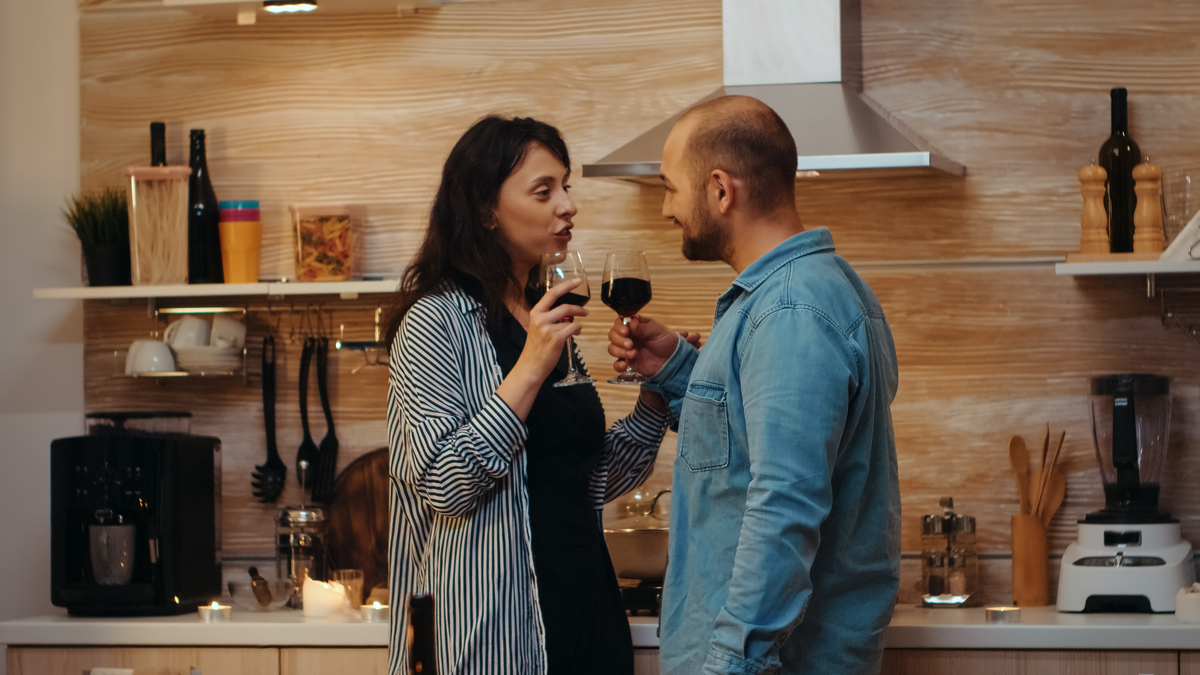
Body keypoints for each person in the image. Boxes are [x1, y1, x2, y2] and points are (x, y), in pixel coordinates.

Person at [607, 96, 902, 674]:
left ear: (721, 189)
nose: (667, 209)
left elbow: (784, 505)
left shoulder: (790, 309)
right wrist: (675, 372)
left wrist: (730, 663)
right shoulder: (801, 293)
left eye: (670, 187)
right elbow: (747, 441)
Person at [384, 116, 673, 675]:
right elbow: (444, 485)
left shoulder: (544, 314)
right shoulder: (435, 324)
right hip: (494, 636)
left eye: (566, 186)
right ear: (486, 211)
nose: (567, 205)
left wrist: (654, 394)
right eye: (544, 191)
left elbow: (590, 478)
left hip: (586, 615)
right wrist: (531, 366)